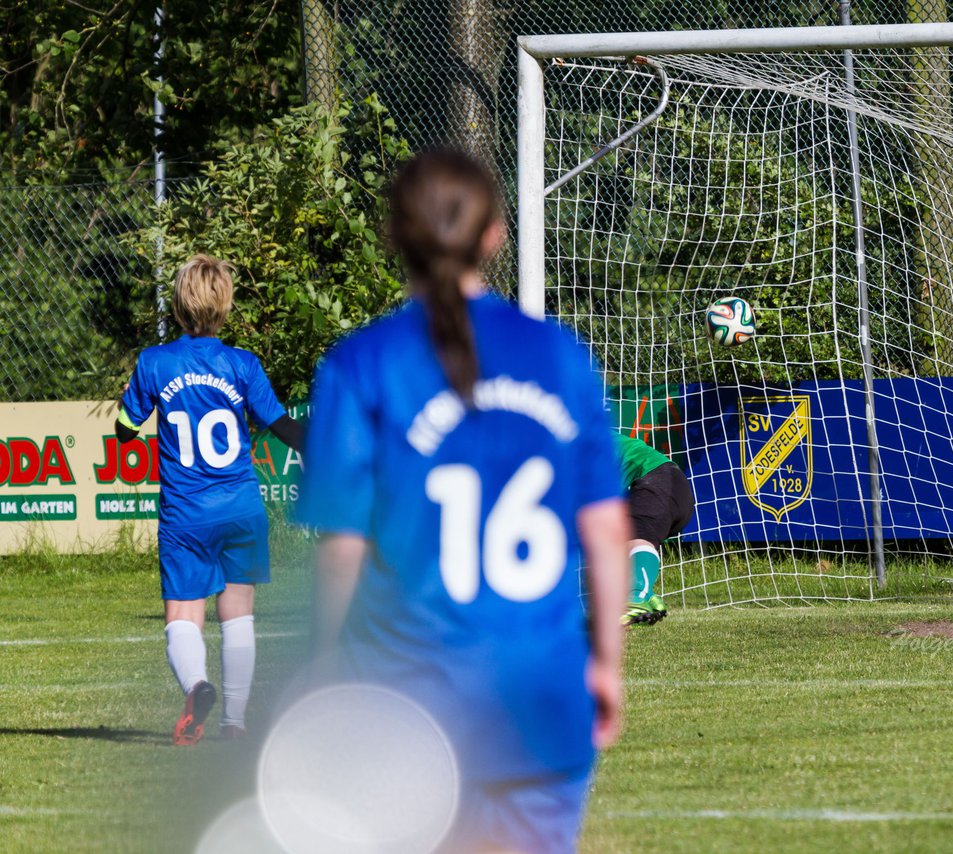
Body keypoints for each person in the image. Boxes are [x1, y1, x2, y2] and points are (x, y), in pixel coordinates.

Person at [295, 149, 630, 853]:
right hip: (541, 700)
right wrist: (605, 663)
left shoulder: (360, 363)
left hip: (406, 706)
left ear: (393, 237)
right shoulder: (560, 354)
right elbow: (606, 531)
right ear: (495, 235)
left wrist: (320, 668)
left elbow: (342, 548)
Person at [117, 254, 304, 745]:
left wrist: (129, 425)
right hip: (241, 507)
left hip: (186, 514)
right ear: (225, 305)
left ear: (178, 305)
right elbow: (281, 425)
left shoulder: (154, 363)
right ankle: (235, 723)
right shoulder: (242, 364)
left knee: (184, 614)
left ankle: (198, 686)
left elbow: (124, 431)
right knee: (238, 611)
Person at [615, 432, 693, 626]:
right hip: (670, 486)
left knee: (637, 537)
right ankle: (647, 597)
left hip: (656, 480)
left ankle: (637, 597)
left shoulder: (570, 446)